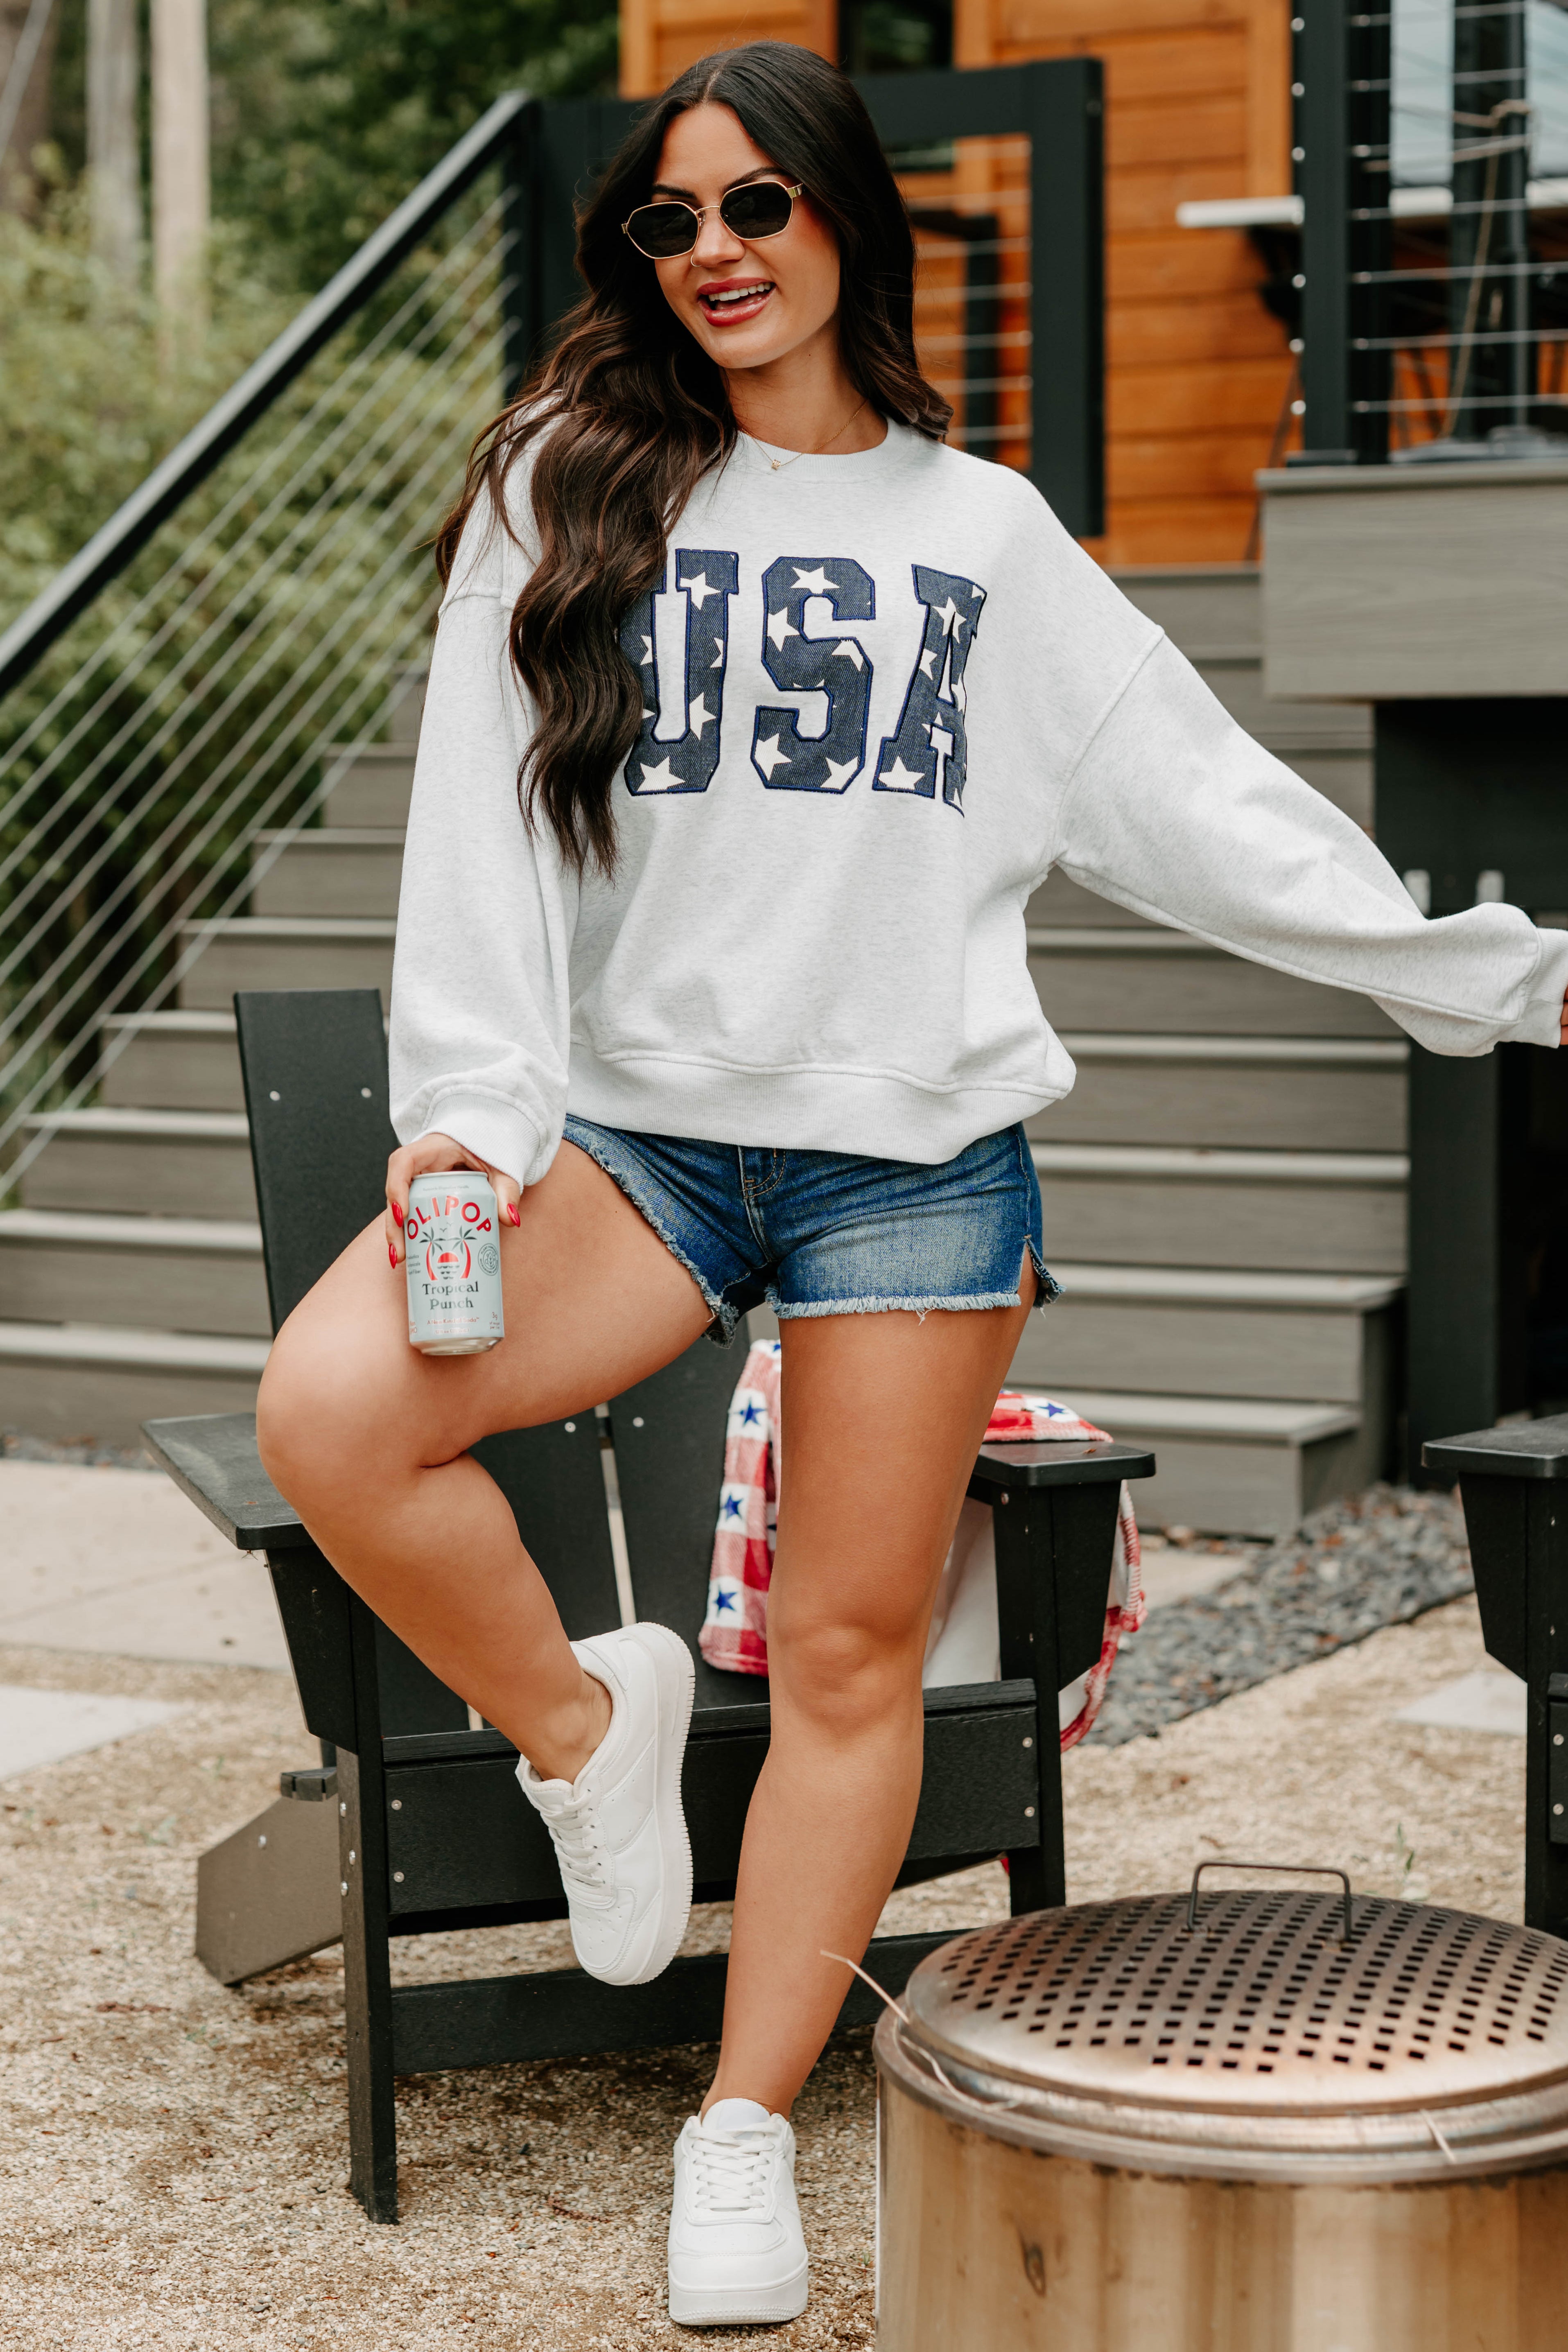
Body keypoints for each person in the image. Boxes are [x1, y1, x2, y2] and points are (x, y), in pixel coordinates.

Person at [255, 38, 1568, 2328]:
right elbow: (474, 822)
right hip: (641, 1144)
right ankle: (589, 1729)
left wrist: (1495, 975)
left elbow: (1206, 806)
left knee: (852, 1655)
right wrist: (471, 1103)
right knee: (334, 1410)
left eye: (757, 205)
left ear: (846, 217)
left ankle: (743, 2128)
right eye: (669, 220)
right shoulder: (573, 485)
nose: (716, 253)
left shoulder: (984, 537)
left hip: (914, 1166)